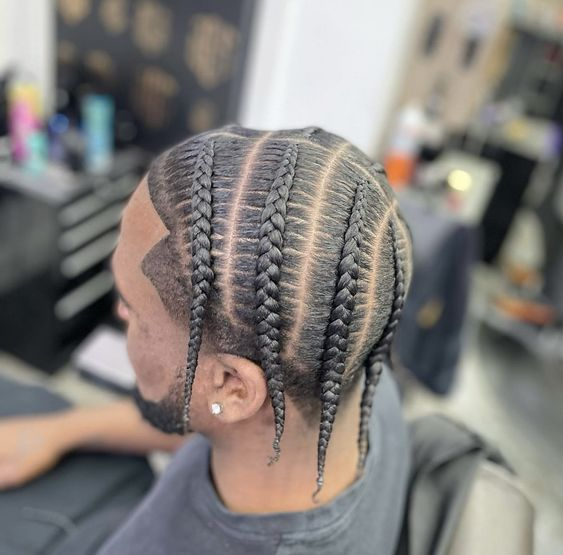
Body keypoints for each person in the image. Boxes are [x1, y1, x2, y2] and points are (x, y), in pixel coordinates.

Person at [0, 126, 413, 554]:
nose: (120, 315)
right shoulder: (350, 374)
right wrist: (61, 432)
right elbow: (209, 412)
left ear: (234, 386)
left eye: (134, 311)